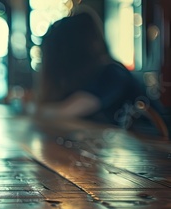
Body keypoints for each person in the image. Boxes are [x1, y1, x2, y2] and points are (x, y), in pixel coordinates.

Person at [36, 10, 170, 138]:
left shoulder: (112, 73)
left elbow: (66, 112)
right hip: (135, 151)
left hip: (157, 152)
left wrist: (34, 110)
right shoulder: (91, 77)